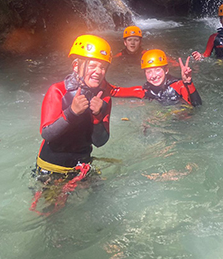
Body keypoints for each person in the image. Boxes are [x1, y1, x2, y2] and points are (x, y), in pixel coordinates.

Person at [31, 35, 114, 215]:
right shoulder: (58, 91)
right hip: (52, 168)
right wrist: (71, 113)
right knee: (52, 213)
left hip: (81, 166)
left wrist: (98, 116)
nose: (98, 71)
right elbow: (47, 134)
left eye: (103, 67)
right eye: (92, 65)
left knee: (102, 202)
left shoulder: (103, 97)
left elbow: (100, 141)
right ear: (76, 66)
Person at [111, 49, 202, 106]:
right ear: (145, 74)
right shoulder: (145, 91)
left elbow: (197, 106)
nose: (154, 75)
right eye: (149, 71)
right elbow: (115, 91)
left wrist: (188, 82)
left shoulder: (178, 85)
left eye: (157, 70)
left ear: (166, 70)